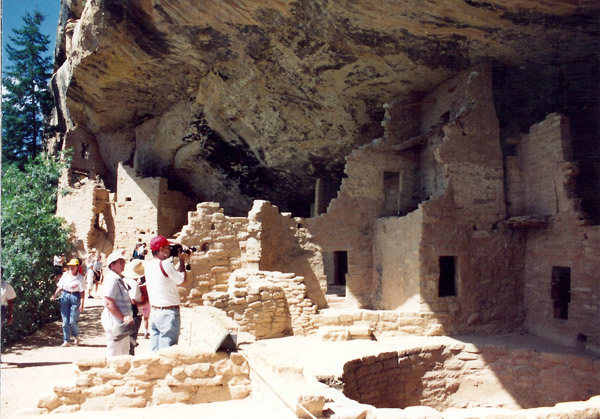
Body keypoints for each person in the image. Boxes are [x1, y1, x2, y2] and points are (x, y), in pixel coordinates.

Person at [145, 236, 191, 351]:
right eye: (168, 248)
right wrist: (181, 260)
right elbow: (182, 281)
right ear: (161, 249)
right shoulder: (165, 264)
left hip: (155, 312)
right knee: (167, 352)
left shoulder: (149, 265)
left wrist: (182, 261)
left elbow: (170, 276)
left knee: (155, 351)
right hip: (168, 313)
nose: (170, 250)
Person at [51, 259, 85, 347]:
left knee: (73, 320)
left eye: (73, 265)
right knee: (65, 320)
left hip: (75, 297)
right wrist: (55, 294)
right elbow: (60, 286)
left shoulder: (80, 277)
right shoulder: (65, 275)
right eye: (70, 265)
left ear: (77, 267)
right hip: (65, 296)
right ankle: (66, 340)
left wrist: (82, 303)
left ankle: (75, 335)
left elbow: (82, 291)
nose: (71, 267)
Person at [122, 259, 145, 355]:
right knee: (130, 345)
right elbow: (133, 302)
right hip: (134, 315)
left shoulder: (122, 280)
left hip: (123, 313)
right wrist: (146, 302)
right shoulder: (134, 284)